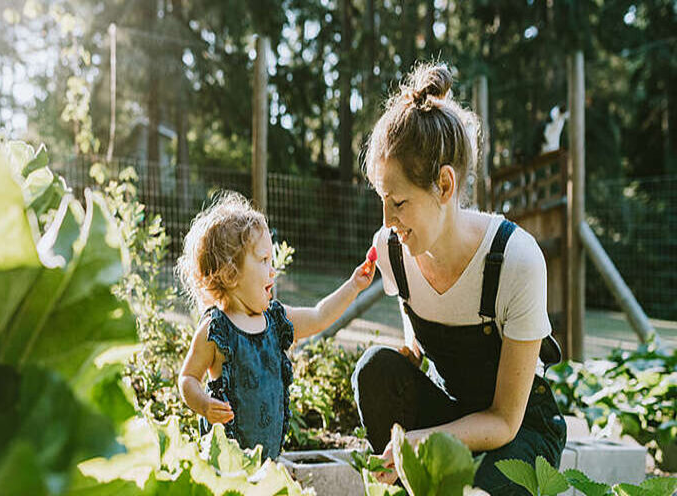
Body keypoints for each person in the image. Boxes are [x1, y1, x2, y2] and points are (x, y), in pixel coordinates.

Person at [351, 62, 566, 495]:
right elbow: (417, 315)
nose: (387, 219)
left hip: (518, 430)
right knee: (374, 370)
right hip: (452, 412)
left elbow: (505, 420)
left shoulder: (516, 260)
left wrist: (425, 440)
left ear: (444, 186)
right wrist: (412, 347)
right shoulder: (395, 249)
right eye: (382, 200)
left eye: (399, 202)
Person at [177, 191, 376, 460]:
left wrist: (354, 286)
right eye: (263, 261)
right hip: (225, 461)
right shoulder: (216, 331)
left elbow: (319, 316)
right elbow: (188, 378)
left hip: (267, 459)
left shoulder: (275, 320)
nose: (273, 271)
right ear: (230, 272)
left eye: (272, 260)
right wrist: (203, 404)